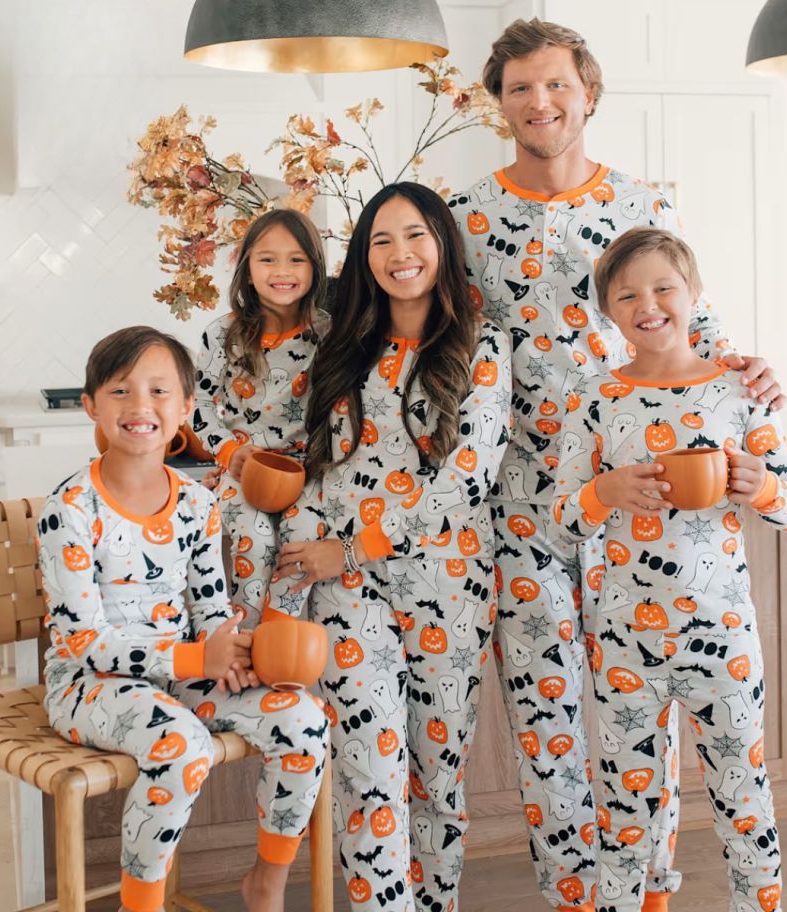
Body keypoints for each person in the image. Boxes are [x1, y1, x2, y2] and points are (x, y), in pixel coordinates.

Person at [449, 18, 786, 911]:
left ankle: (650, 893)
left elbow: (691, 326)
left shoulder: (644, 202)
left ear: (587, 93)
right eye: (520, 87)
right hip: (529, 506)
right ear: (501, 104)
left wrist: (747, 371)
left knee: (641, 726)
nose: (539, 101)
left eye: (555, 83)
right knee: (549, 724)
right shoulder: (466, 218)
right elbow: (446, 348)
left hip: (647, 508)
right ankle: (577, 900)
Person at [551, 226, 787, 912]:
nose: (649, 304)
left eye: (664, 287)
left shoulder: (739, 390)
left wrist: (760, 487)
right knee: (627, 813)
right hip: (623, 645)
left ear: (694, 294)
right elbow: (558, 517)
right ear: (609, 310)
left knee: (743, 800)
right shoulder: (595, 397)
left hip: (723, 644)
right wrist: (602, 494)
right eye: (628, 293)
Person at [271, 183, 512, 912]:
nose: (399, 255)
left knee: (436, 779)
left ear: (442, 244)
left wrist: (355, 548)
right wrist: (295, 583)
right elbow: (316, 465)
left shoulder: (483, 343)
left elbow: (467, 478)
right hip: (348, 592)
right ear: (362, 255)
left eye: (414, 237)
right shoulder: (342, 347)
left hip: (450, 586)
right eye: (380, 241)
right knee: (367, 773)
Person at [39, 326, 328, 912]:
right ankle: (139, 906)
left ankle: (266, 883)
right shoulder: (68, 509)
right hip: (88, 685)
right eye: (120, 392)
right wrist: (199, 657)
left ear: (186, 410)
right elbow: (80, 639)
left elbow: (212, 607)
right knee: (182, 743)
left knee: (305, 717)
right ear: (91, 405)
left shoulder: (198, 504)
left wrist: (233, 651)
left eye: (158, 391)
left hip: (180, 677)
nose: (140, 407)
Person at [192, 209, 327, 629]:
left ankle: (278, 633)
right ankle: (245, 635)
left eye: (296, 259)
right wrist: (229, 451)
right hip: (244, 471)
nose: (281, 271)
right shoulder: (222, 335)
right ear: (247, 270)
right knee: (254, 538)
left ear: (315, 268)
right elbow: (197, 404)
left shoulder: (331, 333)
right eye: (267, 259)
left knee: (301, 535)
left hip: (310, 472)